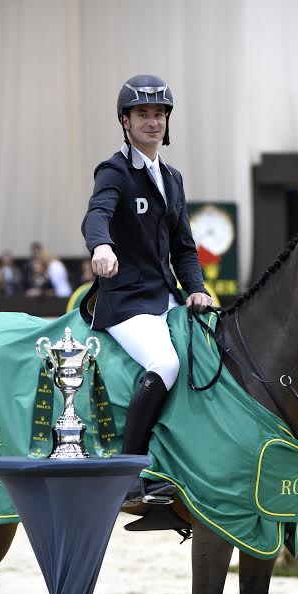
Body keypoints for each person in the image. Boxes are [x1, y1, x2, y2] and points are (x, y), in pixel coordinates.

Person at [81, 74, 213, 504]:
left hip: (167, 298)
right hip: (126, 302)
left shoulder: (172, 177)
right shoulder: (115, 171)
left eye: (159, 114)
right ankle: (130, 470)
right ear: (125, 120)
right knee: (165, 362)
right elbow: (97, 214)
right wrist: (101, 243)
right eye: (143, 114)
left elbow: (184, 247)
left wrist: (196, 288)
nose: (152, 122)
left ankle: (181, 460)